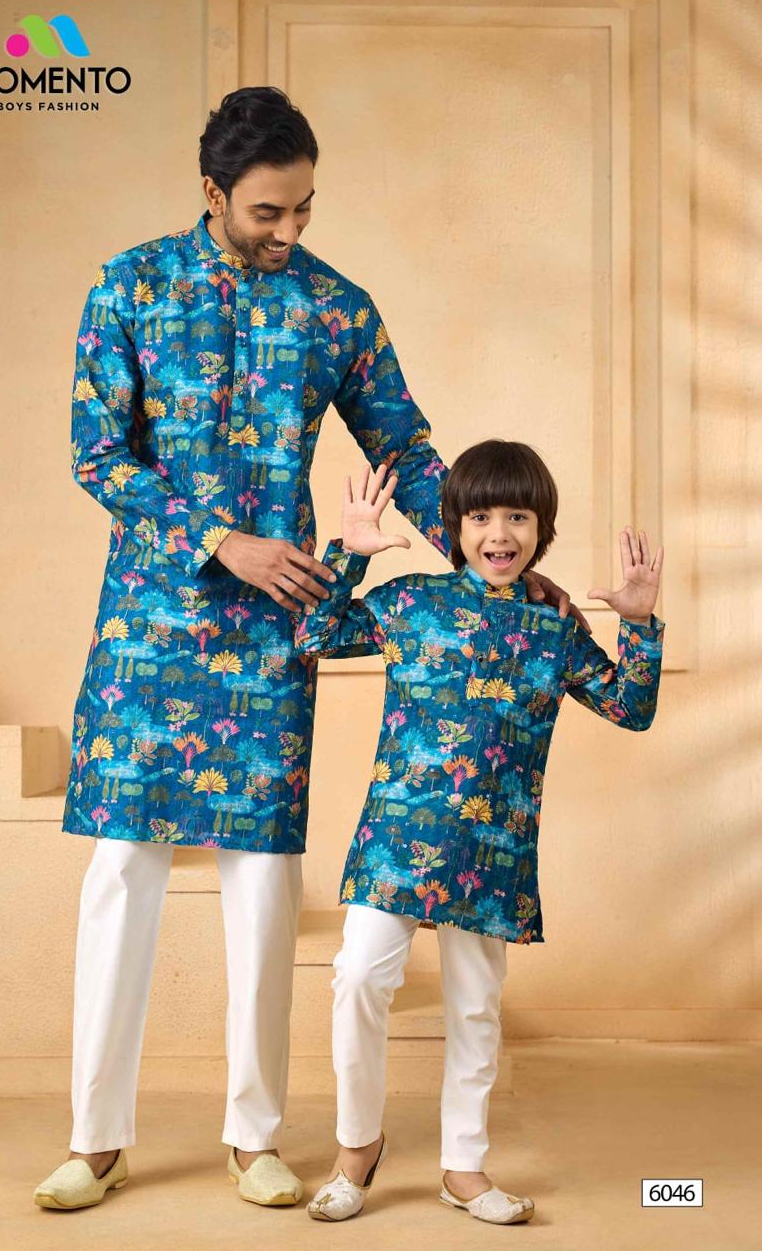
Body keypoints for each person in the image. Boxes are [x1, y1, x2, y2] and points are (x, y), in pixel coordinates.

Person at [33, 87, 584, 1213]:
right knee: (122, 873)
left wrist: (495, 557)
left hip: (280, 627)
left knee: (263, 884)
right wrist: (219, 540)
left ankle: (253, 1137)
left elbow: (407, 450)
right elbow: (99, 454)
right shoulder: (130, 285)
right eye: (268, 212)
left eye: (304, 210)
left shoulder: (337, 309)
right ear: (212, 193)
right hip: (149, 627)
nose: (289, 231)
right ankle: (96, 1139)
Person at [294, 445, 665, 1225]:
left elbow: (629, 708)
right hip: (397, 835)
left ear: (541, 529)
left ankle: (461, 1166)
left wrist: (637, 624)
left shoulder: (554, 628)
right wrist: (348, 553)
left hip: (494, 848)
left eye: (517, 517)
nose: (499, 534)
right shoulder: (410, 602)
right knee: (358, 977)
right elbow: (312, 636)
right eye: (481, 516)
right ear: (455, 527)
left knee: (472, 1009)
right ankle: (356, 1149)